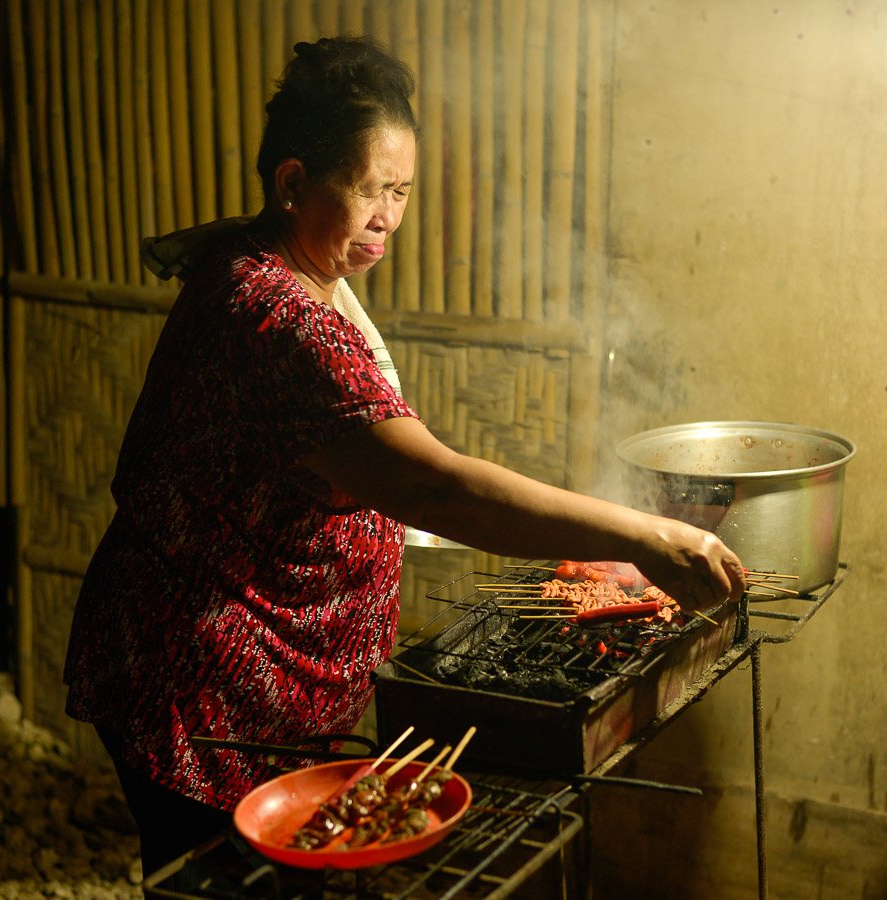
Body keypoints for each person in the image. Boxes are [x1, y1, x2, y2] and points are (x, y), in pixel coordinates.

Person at [64, 36, 745, 877]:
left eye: (403, 191)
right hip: (198, 686)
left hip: (257, 679)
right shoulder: (277, 320)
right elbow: (432, 485)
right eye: (371, 190)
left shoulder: (281, 268)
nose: (390, 215)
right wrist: (648, 537)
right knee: (220, 883)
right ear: (291, 183)